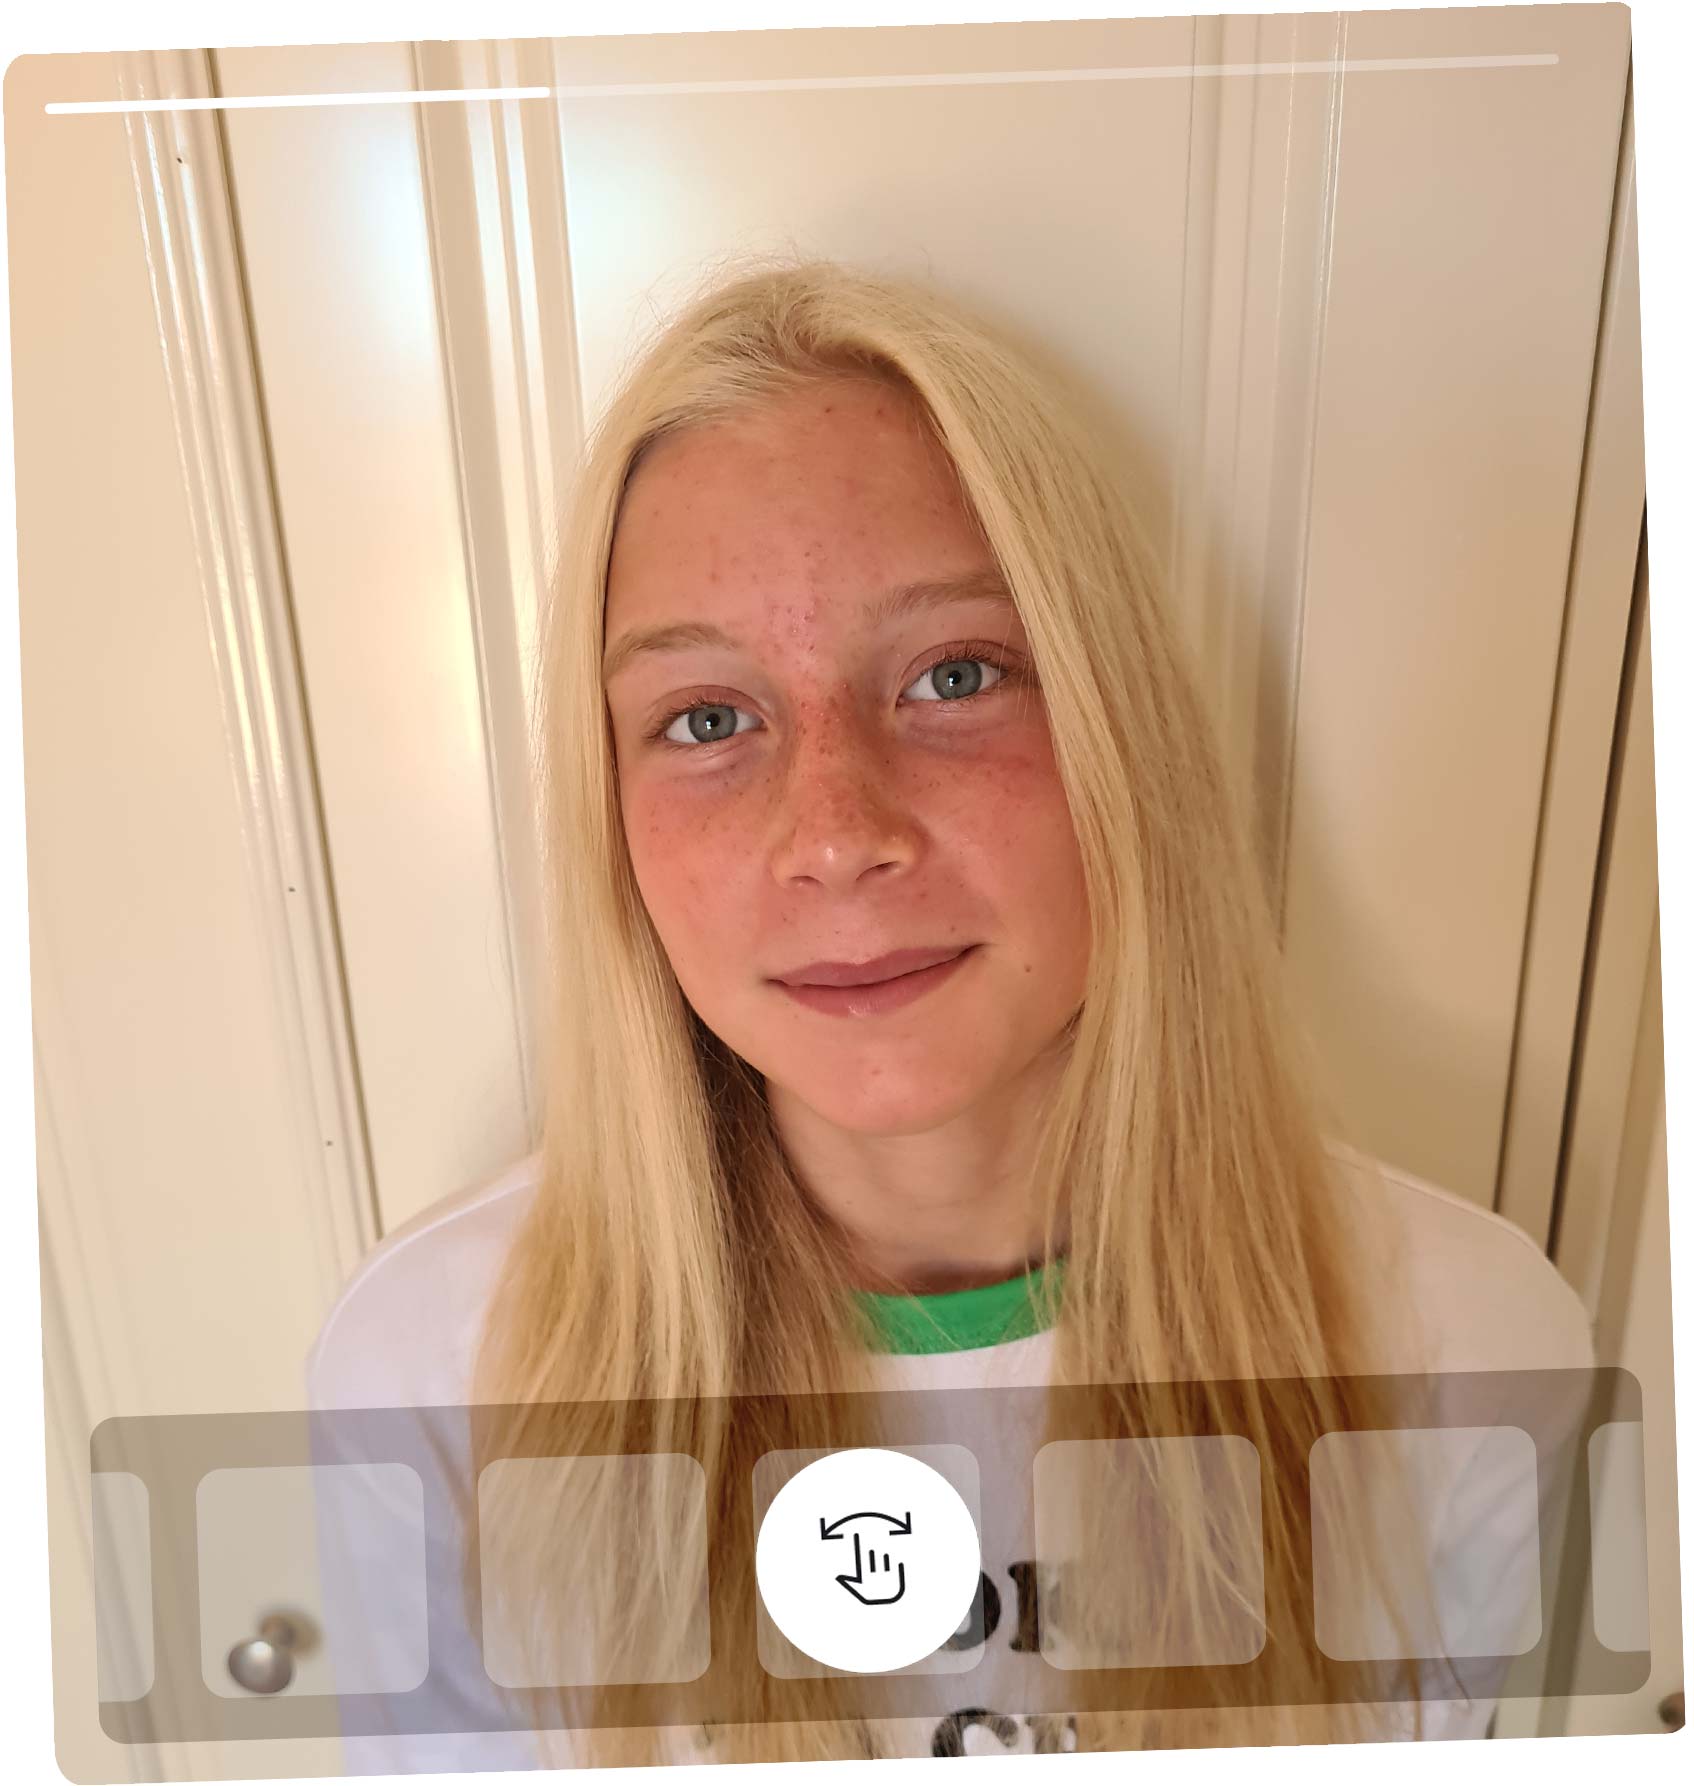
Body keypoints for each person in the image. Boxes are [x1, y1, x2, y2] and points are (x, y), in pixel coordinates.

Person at [304, 256, 1595, 1771]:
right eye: (706, 718)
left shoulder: (1465, 1344)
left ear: (1120, 731)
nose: (835, 834)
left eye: (955, 674)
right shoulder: (433, 1371)